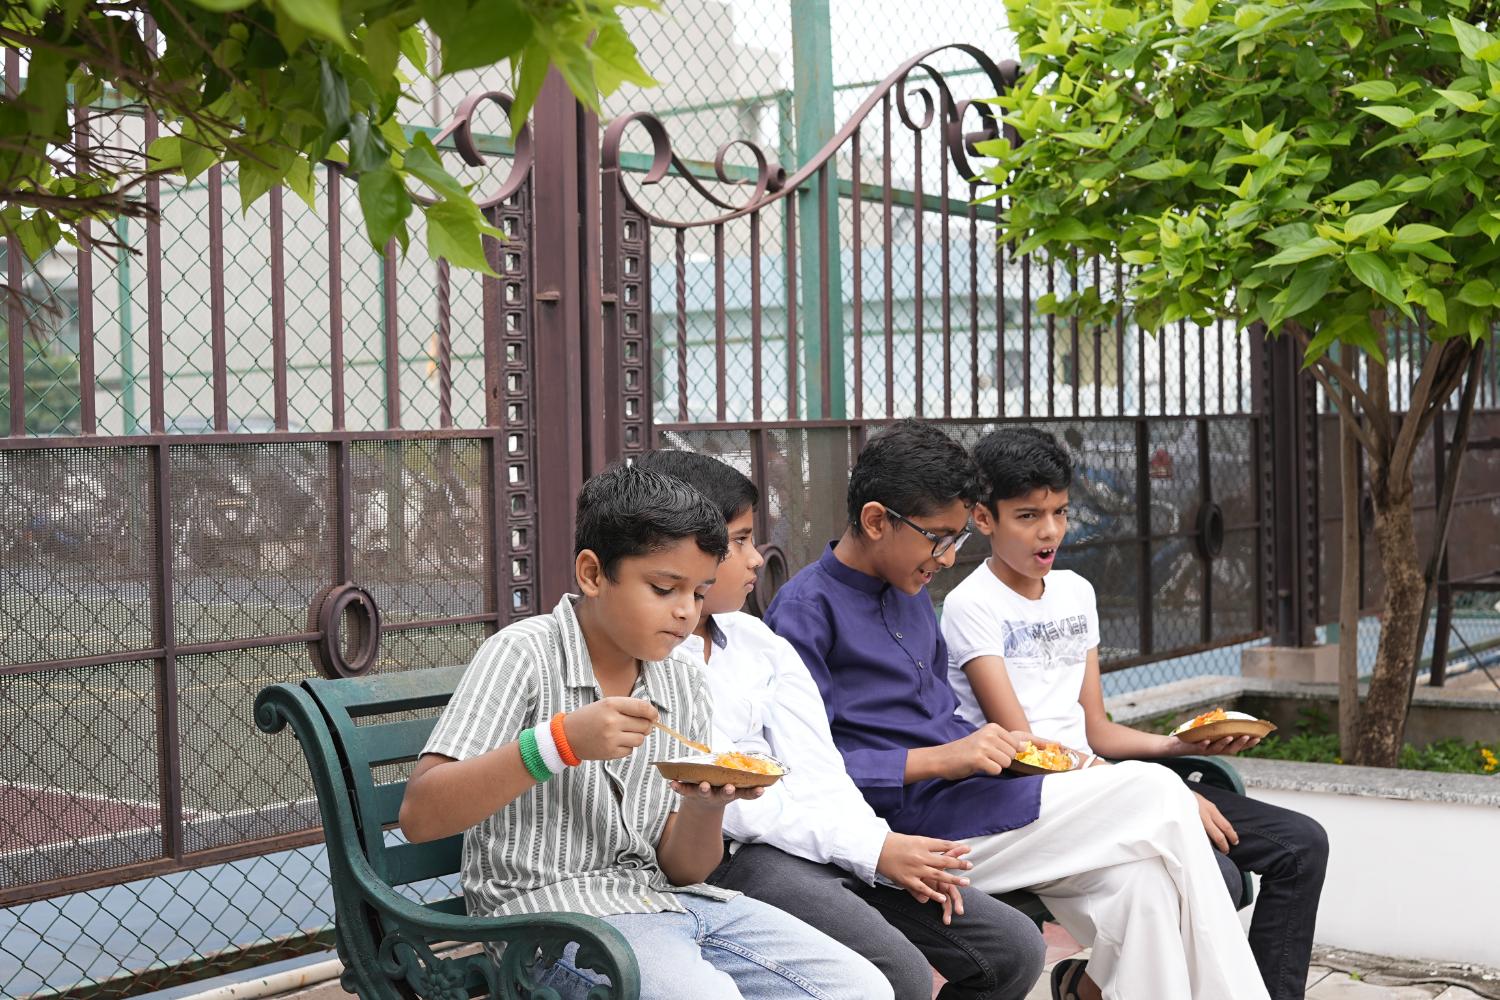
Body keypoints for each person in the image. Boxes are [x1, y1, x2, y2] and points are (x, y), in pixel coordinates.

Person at [764, 419, 1271, 1000]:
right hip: (910, 834)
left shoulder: (910, 590)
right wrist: (945, 758)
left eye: (956, 540)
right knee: (1158, 792)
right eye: (939, 538)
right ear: (877, 521)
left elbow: (942, 718)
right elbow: (801, 770)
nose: (948, 559)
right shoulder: (805, 612)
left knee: (1145, 888)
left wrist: (1005, 750)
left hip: (980, 800)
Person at [397, 463, 893, 1000]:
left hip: (667, 904)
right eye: (663, 588)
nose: (685, 612)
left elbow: (684, 870)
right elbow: (422, 816)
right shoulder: (524, 655)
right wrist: (559, 744)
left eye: (699, 593)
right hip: (547, 925)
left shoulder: (682, 679)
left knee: (863, 988)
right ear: (593, 574)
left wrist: (705, 806)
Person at [633, 448, 1047, 1000]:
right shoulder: (658, 656)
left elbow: (818, 766)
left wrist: (877, 845)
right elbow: (727, 800)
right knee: (899, 974)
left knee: (1014, 949)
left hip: (825, 836)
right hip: (735, 854)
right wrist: (869, 850)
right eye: (739, 541)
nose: (756, 560)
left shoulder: (759, 642)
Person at [941, 426, 1329, 1000]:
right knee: (1219, 878)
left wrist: (1178, 747)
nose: (1050, 531)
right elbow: (1026, 748)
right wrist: (1160, 792)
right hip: (1045, 801)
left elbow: (1095, 728)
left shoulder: (1075, 592)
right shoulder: (971, 605)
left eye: (1060, 511)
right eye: (1027, 516)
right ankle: (1089, 988)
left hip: (1108, 782)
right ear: (982, 518)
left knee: (1303, 845)